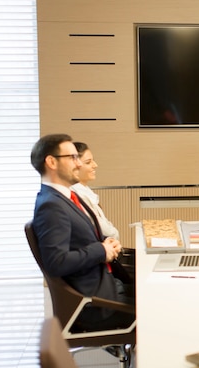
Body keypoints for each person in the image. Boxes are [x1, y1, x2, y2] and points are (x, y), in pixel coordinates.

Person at [30, 134, 134, 331]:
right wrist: (101, 251)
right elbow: (57, 262)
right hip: (96, 305)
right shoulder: (51, 205)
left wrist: (107, 242)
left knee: (158, 294)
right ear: (51, 162)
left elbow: (82, 237)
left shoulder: (64, 197)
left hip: (106, 288)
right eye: (72, 158)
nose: (78, 164)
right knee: (160, 307)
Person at [71, 141, 120, 240]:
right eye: (88, 162)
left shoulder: (84, 190)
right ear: (74, 166)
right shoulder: (77, 195)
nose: (95, 165)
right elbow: (105, 231)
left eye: (93, 160)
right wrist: (115, 234)